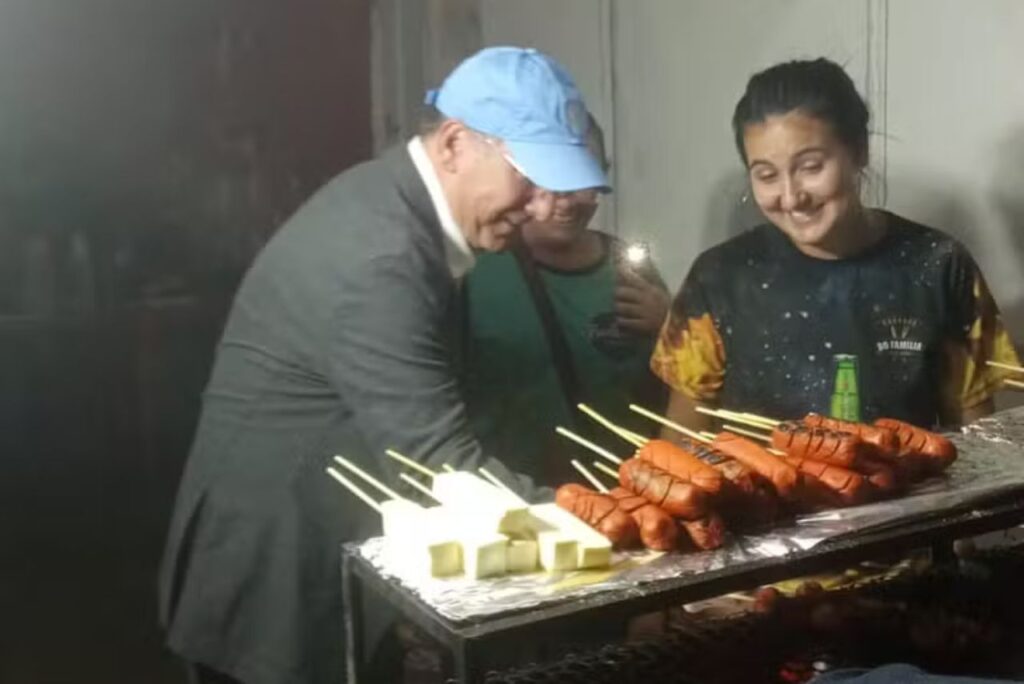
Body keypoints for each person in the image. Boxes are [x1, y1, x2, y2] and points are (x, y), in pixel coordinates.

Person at [158, 46, 608, 684]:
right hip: (270, 585)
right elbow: (436, 463)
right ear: (455, 143)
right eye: (527, 177)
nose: (539, 206)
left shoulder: (400, 209)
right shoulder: (382, 257)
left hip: (315, 549)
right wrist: (609, 527)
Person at [651, 57, 1021, 432]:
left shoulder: (938, 265)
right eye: (766, 175)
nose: (792, 197)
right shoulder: (717, 278)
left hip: (915, 491)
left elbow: (976, 440)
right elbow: (683, 444)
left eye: (811, 167)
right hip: (756, 492)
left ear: (858, 151)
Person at [462, 114, 670, 485]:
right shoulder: (478, 269)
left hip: (632, 493)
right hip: (521, 498)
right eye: (551, 181)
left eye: (583, 181)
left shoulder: (629, 267)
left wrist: (672, 326)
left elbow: (680, 383)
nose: (567, 201)